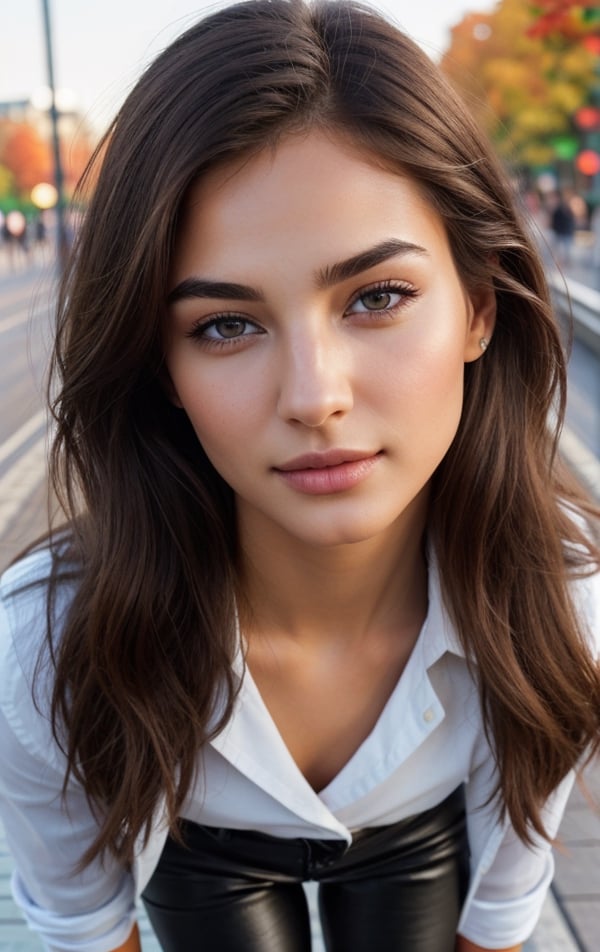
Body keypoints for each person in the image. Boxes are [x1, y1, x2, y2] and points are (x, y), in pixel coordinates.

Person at [0, 2, 598, 951]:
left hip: (419, 839)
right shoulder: (41, 654)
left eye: (378, 296)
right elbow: (82, 923)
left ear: (480, 309)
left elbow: (504, 906)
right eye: (225, 325)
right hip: (197, 850)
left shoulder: (565, 603)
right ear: (163, 367)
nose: (315, 396)